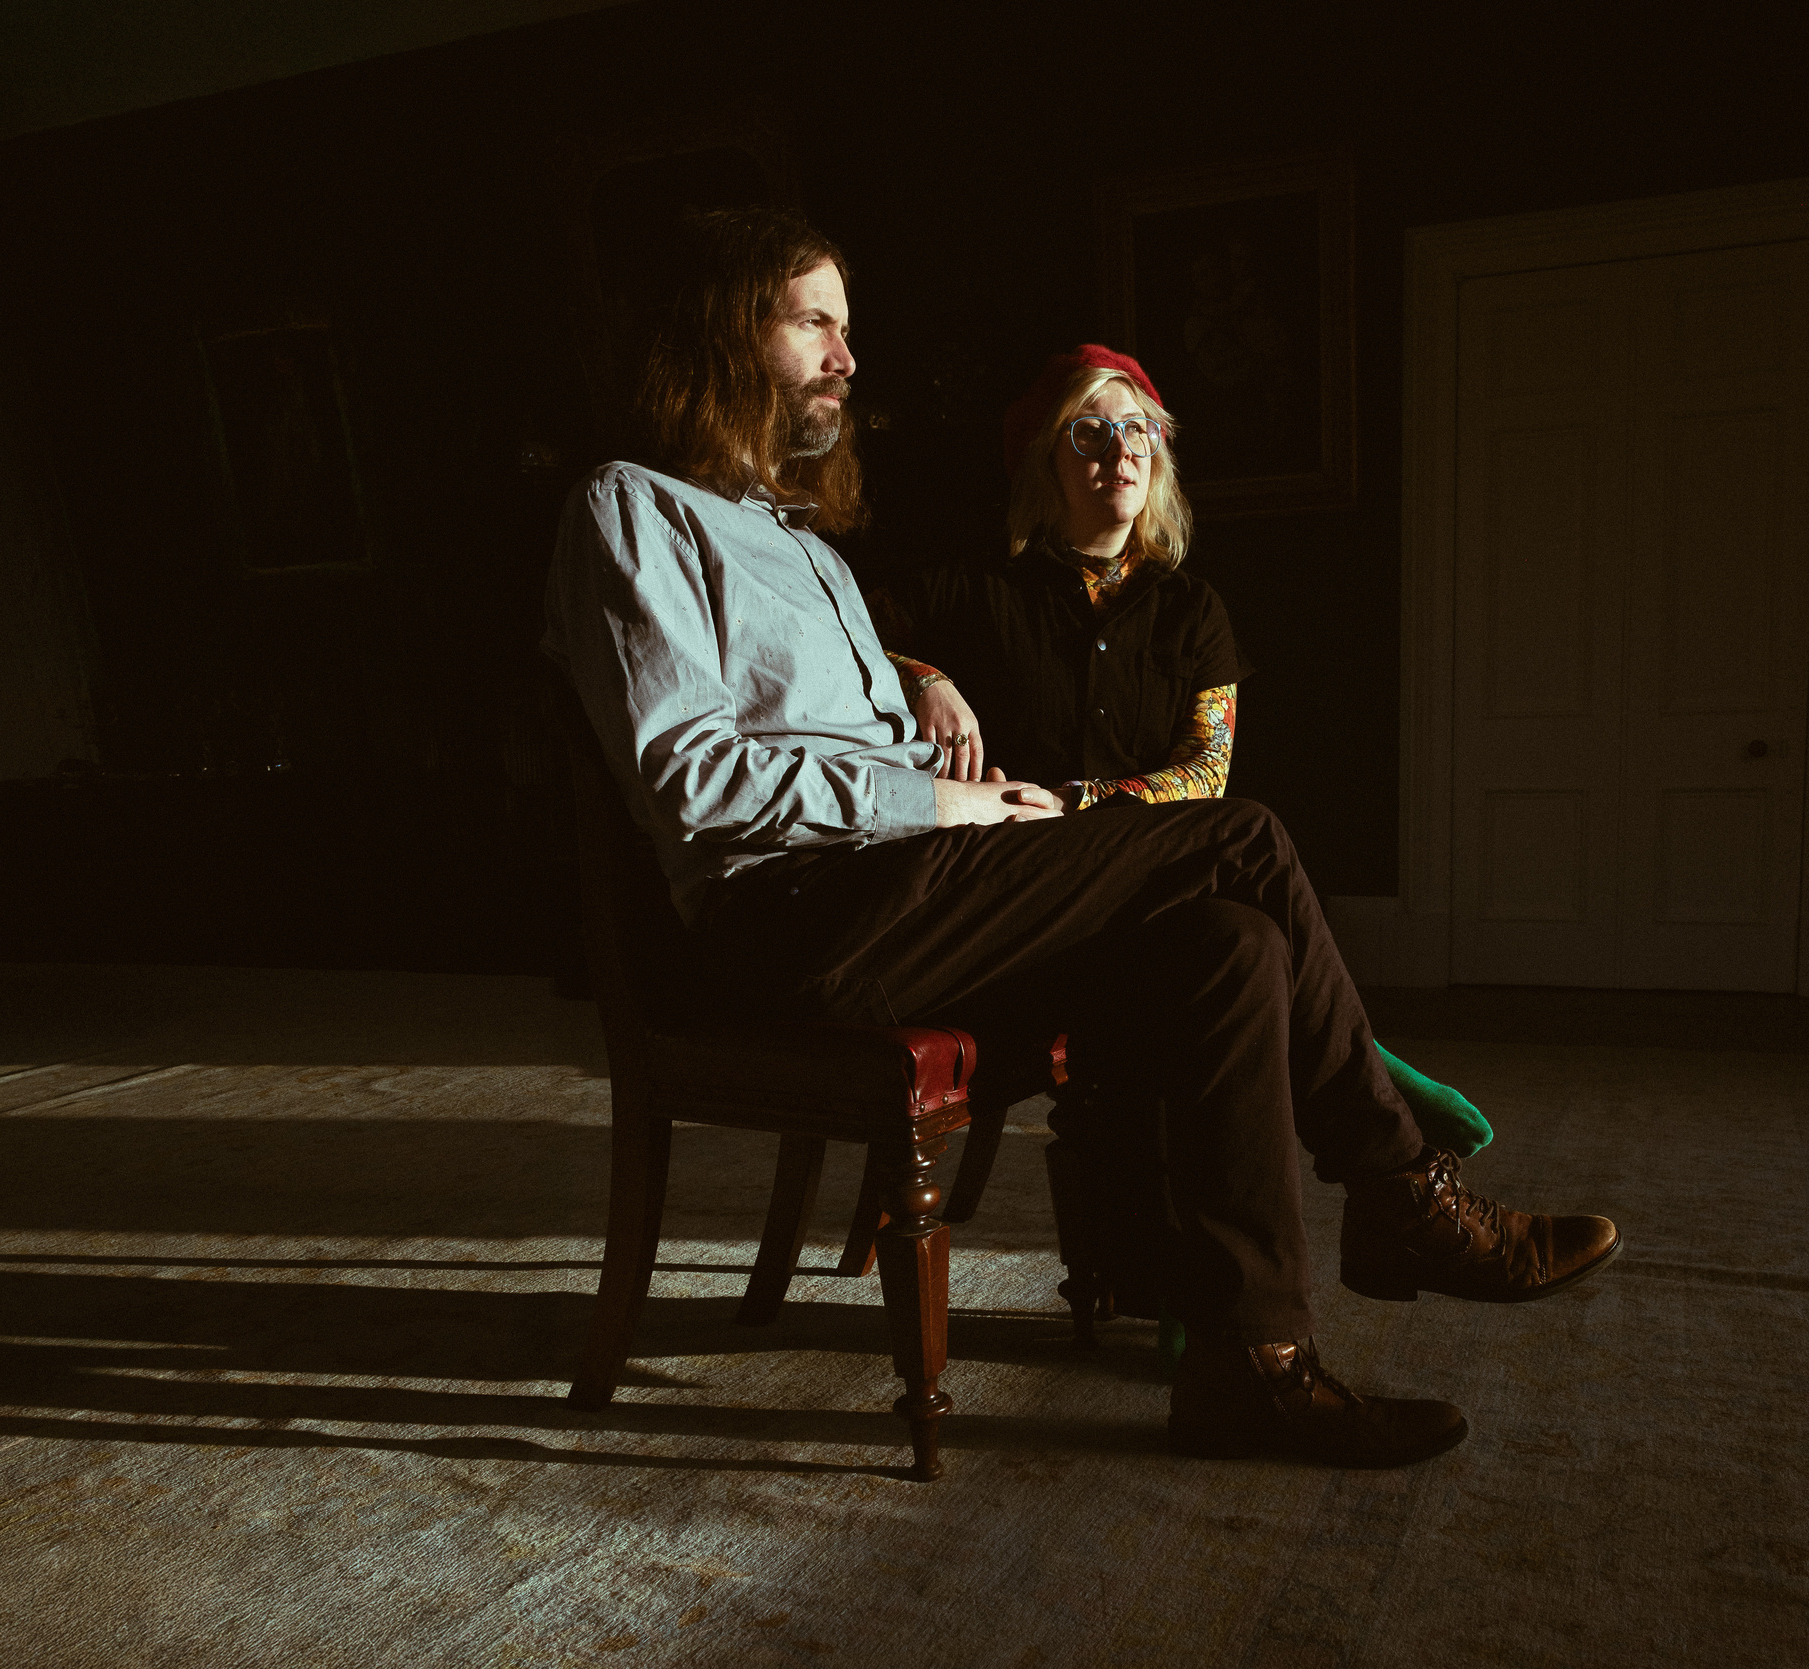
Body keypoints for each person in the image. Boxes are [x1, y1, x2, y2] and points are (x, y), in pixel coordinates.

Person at [542, 207, 1621, 1470]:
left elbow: (857, 748)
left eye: (847, 328)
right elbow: (692, 778)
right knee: (1241, 837)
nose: (847, 356)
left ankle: (1251, 1368)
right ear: (728, 335)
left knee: (1231, 946)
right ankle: (1403, 1194)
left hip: (901, 893)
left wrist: (970, 774)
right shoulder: (632, 510)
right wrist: (943, 806)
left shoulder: (807, 550)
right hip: (789, 924)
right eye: (816, 323)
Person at [870, 343, 1493, 1167]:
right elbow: (837, 637)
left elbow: (1205, 773)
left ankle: (1361, 1174)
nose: (1121, 450)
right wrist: (924, 677)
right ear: (1046, 457)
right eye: (1090, 432)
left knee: (1248, 936)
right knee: (1250, 842)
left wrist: (1076, 799)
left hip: (1144, 879)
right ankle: (1375, 1095)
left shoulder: (1193, 610)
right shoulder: (972, 587)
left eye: (1139, 430)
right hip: (1021, 888)